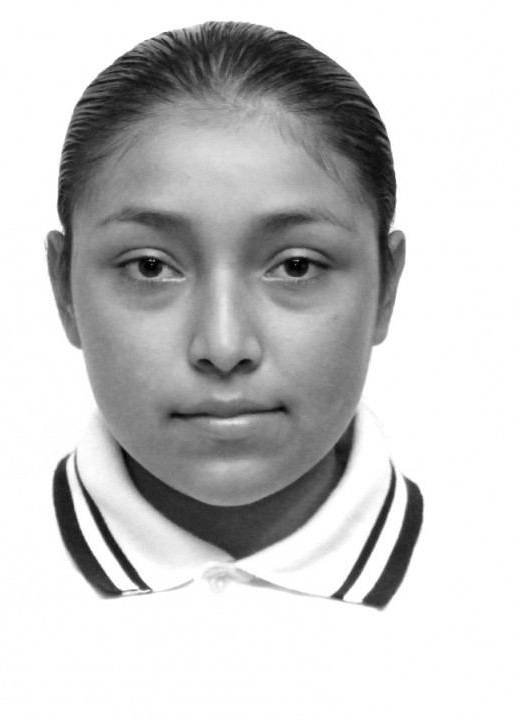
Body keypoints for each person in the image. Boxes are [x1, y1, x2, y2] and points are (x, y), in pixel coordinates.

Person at [47, 19, 423, 609]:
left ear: (385, 289)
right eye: (150, 266)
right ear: (64, 289)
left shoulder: (496, 581)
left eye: (295, 266)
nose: (223, 347)